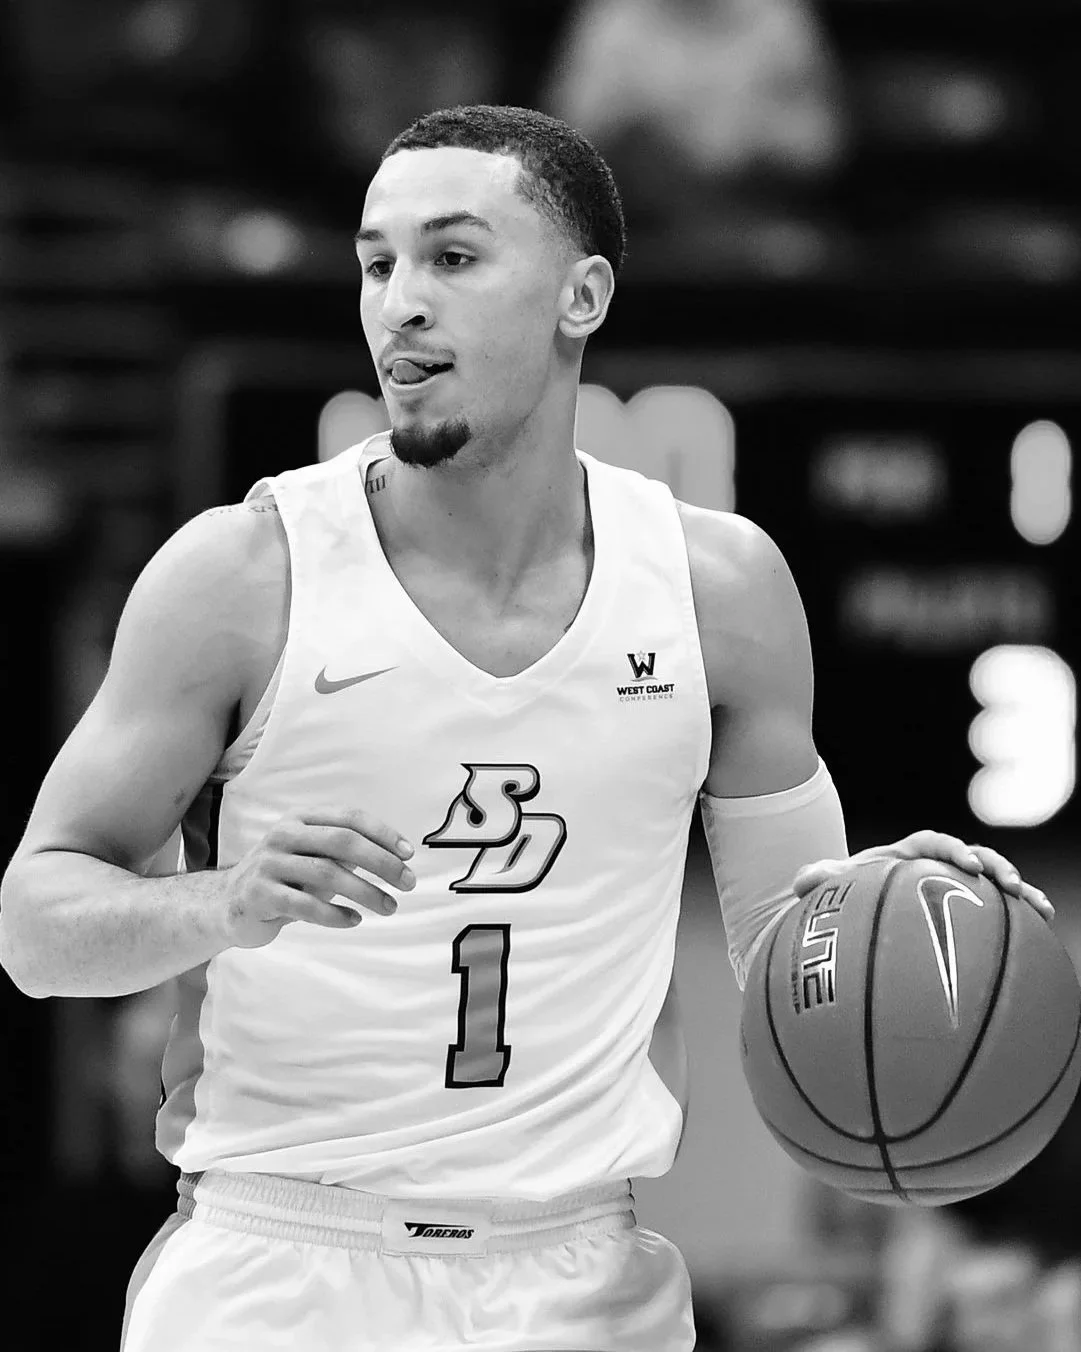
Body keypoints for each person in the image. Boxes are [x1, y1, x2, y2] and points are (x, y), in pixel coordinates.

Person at [0, 104, 1052, 1352]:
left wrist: (898, 909)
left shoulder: (719, 590)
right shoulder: (240, 574)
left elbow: (793, 949)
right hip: (279, 1268)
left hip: (581, 1279)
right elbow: (33, 926)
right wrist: (221, 903)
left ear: (580, 295)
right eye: (376, 262)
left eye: (451, 256)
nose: (399, 303)